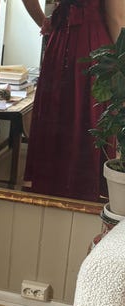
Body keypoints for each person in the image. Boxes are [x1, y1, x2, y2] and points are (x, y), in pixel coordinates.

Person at [21, 0, 124, 202]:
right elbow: (116, 17)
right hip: (92, 46)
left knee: (57, 118)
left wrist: (44, 21)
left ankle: (49, 198)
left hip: (59, 43)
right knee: (88, 120)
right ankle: (82, 200)